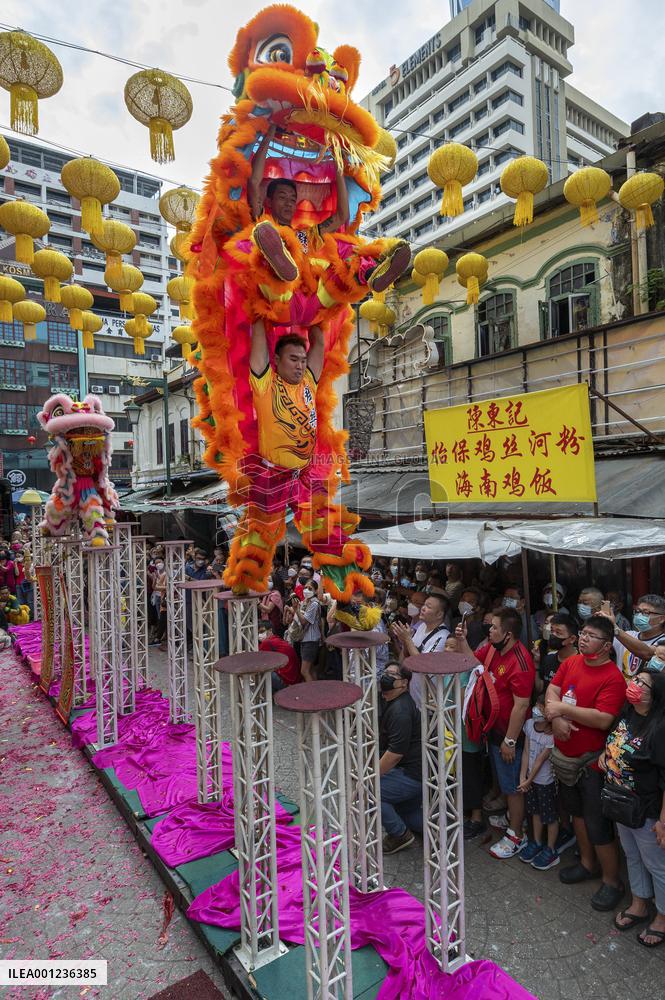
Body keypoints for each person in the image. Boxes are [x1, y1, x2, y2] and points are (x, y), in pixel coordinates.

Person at [545, 615, 627, 911]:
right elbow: (553, 689)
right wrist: (556, 718)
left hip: (592, 764)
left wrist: (561, 710)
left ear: (606, 646)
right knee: (576, 814)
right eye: (582, 633)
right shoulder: (571, 663)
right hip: (564, 758)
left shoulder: (613, 678)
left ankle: (612, 880)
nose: (583, 639)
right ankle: (587, 862)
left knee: (597, 823)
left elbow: (604, 718)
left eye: (591, 636)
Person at [456, 607, 536, 859]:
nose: (488, 630)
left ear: (509, 634)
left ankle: (516, 835)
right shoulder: (492, 647)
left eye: (494, 627)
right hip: (492, 728)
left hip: (510, 734)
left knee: (512, 785)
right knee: (502, 778)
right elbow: (472, 663)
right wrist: (461, 640)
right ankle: (513, 817)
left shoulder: (521, 662)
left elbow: (521, 705)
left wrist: (510, 741)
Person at [600, 669, 665, 946]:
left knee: (657, 865)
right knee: (632, 855)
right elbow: (615, 744)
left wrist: (663, 820)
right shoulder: (627, 714)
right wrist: (606, 756)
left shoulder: (660, 728)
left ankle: (662, 917)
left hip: (647, 808)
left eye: (643, 683)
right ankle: (639, 903)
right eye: (635, 679)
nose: (635, 684)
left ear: (655, 695)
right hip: (620, 801)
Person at [379, 661, 423, 855]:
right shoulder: (390, 700)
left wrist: (369, 777)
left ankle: (400, 835)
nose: (385, 677)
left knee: (370, 793)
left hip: (410, 775)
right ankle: (431, 828)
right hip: (411, 772)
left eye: (392, 675)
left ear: (404, 683)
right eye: (385, 673)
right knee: (409, 814)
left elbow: (395, 755)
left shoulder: (401, 711)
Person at [518, 695, 559, 870]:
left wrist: (528, 780)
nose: (536, 709)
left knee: (549, 816)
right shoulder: (528, 725)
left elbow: (540, 761)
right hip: (530, 779)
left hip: (544, 782)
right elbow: (526, 752)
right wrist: (522, 776)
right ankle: (536, 841)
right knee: (534, 811)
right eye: (537, 705)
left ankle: (550, 849)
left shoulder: (551, 737)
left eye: (541, 708)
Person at [391, 593, 450, 710]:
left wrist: (407, 639)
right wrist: (404, 640)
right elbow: (407, 656)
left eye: (428, 606)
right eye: (424, 605)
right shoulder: (422, 626)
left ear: (439, 614)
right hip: (413, 693)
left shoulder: (442, 637)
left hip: (429, 700)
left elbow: (422, 665)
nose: (423, 608)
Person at [607, 593, 665, 680]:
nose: (639, 616)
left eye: (645, 613)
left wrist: (615, 628)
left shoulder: (662, 641)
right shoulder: (628, 634)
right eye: (638, 611)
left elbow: (647, 653)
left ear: (661, 619)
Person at [536, 613, 578, 694]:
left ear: (572, 639)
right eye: (552, 631)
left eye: (558, 633)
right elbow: (542, 689)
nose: (553, 635)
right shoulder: (548, 659)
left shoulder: (580, 663)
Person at [258, 619, 302, 691]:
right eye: (259, 633)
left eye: (262, 631)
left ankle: (266, 700)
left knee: (262, 672)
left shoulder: (267, 642)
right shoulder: (278, 640)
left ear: (270, 630)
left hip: (287, 682)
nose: (259, 635)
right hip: (294, 679)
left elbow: (256, 659)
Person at [294, 582, 321, 682]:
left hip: (310, 639)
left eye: (310, 588)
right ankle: (316, 690)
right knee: (311, 668)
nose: (307, 590)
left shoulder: (314, 604)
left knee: (304, 671)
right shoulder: (306, 602)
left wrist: (296, 609)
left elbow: (304, 621)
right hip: (306, 639)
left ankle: (311, 693)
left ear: (315, 591)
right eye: (305, 588)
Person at [259, 573, 284, 637]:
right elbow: (262, 608)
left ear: (275, 582)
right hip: (266, 622)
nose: (267, 582)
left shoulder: (275, 594)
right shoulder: (267, 593)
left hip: (273, 623)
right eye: (266, 580)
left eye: (270, 581)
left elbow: (268, 609)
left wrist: (258, 603)